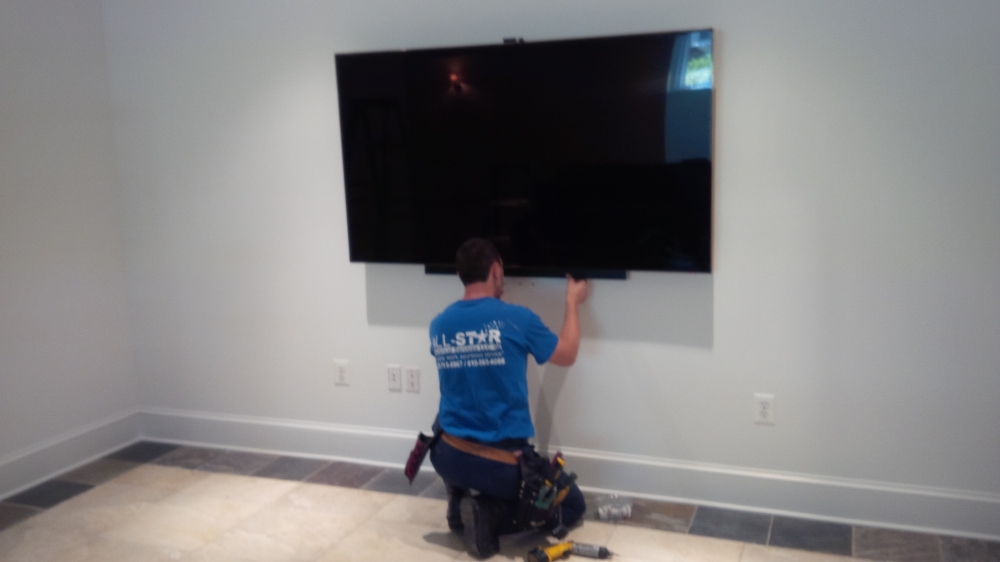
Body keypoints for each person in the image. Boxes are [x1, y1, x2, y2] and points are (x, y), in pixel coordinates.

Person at [428, 238, 589, 558]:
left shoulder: (439, 324)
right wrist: (572, 302)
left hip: (445, 453)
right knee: (572, 504)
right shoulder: (516, 318)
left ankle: (460, 498)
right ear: (497, 271)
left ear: (459, 273)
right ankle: (489, 516)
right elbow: (567, 354)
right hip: (498, 465)